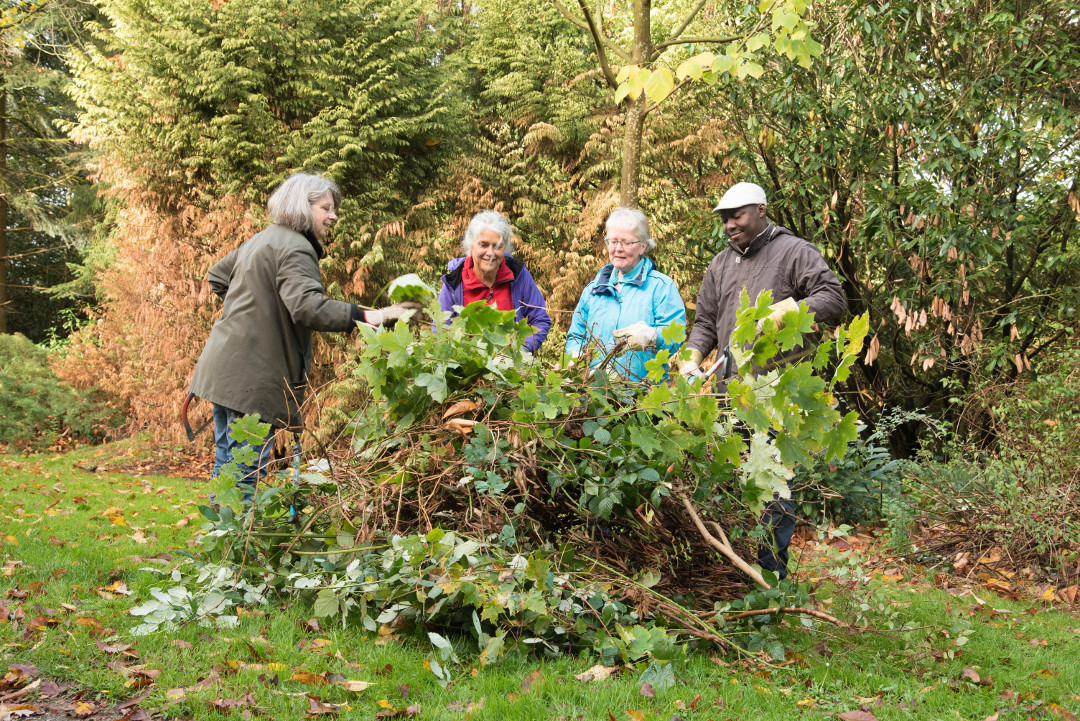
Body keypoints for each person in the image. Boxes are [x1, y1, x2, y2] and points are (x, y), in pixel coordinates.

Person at [188, 173, 415, 496]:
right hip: (250, 377)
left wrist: (255, 313)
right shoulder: (295, 248)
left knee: (229, 466)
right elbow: (308, 308)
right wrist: (372, 316)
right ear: (302, 207)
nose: (333, 215)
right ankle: (236, 546)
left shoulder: (263, 239)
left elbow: (218, 277)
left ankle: (220, 540)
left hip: (223, 368)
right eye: (325, 208)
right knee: (242, 473)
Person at [682, 181, 847, 580]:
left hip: (776, 397)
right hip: (725, 394)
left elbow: (834, 298)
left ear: (761, 209)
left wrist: (786, 311)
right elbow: (705, 321)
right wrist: (691, 357)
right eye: (724, 218)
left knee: (772, 491)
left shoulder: (794, 252)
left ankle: (770, 578)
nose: (729, 225)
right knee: (731, 487)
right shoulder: (720, 264)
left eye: (736, 216)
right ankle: (734, 575)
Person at [565, 207, 687, 381]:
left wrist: (652, 336)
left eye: (627, 243)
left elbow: (676, 337)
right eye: (613, 241)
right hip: (595, 394)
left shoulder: (661, 287)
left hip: (644, 394)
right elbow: (576, 334)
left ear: (643, 246)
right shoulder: (594, 290)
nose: (618, 249)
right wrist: (575, 356)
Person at [438, 210, 551, 353]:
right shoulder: (454, 284)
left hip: (513, 369)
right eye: (483, 245)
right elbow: (440, 333)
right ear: (471, 246)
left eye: (497, 246)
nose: (490, 253)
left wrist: (520, 351)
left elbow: (540, 320)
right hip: (469, 368)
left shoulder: (519, 275)